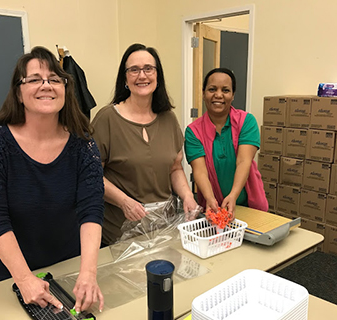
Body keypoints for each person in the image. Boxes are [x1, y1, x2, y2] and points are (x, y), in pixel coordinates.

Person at [0, 46, 104, 313]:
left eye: (55, 79)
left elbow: (91, 209)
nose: (46, 86)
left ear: (66, 89)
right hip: (11, 268)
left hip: (65, 261)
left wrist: (88, 272)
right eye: (34, 79)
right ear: (18, 93)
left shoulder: (83, 144)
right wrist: (23, 279)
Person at [91, 43, 198, 246]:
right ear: (125, 78)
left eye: (148, 68)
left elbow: (175, 168)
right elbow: (92, 175)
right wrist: (124, 202)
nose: (142, 76)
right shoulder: (107, 119)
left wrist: (187, 197)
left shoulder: (168, 119)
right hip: (119, 233)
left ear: (157, 75)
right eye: (134, 70)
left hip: (164, 229)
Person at [184, 68, 268, 216]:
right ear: (203, 93)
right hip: (214, 210)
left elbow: (244, 161)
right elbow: (200, 170)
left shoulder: (246, 122)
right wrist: (210, 198)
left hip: (250, 206)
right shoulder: (193, 132)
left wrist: (233, 195)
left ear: (233, 95)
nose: (218, 95)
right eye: (212, 89)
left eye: (225, 90)